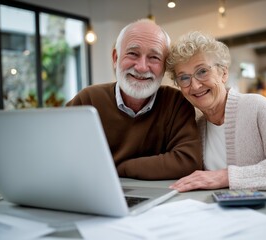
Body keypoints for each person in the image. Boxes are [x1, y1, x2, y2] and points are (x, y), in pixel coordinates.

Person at [166, 31, 266, 192]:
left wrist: (227, 177)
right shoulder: (195, 123)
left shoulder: (255, 107)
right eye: (184, 78)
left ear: (223, 73)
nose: (194, 85)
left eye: (202, 71)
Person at [66, 19, 203, 180]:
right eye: (133, 54)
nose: (142, 67)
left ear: (164, 67)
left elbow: (188, 161)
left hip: (156, 199)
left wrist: (121, 168)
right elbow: (58, 152)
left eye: (154, 57)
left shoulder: (175, 102)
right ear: (116, 58)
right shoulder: (88, 99)